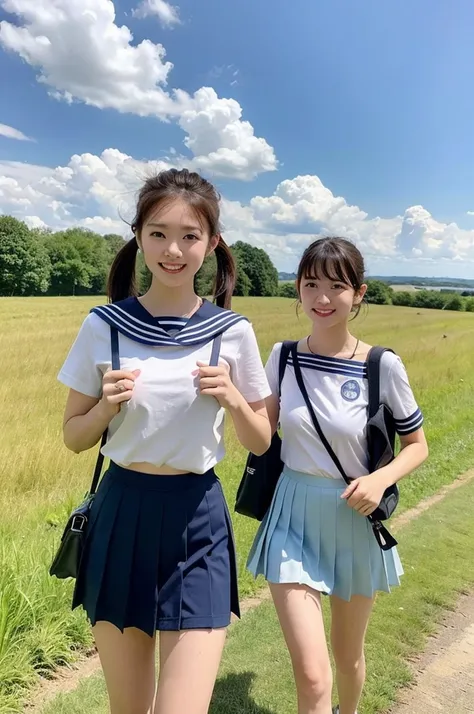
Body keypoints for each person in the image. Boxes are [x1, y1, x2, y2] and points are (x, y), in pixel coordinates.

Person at [57, 168, 272, 714]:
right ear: (138, 237)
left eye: (190, 236)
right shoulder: (103, 326)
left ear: (213, 244)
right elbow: (73, 438)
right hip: (121, 513)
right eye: (157, 233)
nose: (172, 250)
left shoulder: (233, 332)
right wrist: (105, 407)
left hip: (197, 518)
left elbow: (262, 441)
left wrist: (234, 400)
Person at [247, 237, 428, 714]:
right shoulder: (282, 357)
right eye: (310, 284)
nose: (322, 298)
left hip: (353, 515)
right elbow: (261, 437)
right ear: (298, 290)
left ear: (360, 293)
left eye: (336, 286)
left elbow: (417, 446)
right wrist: (228, 396)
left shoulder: (381, 365)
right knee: (312, 673)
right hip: (292, 514)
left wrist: (380, 479)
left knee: (347, 659)